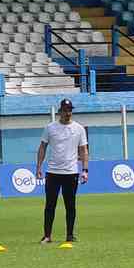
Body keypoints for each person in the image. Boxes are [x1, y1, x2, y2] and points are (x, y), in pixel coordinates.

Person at [36, 98, 89, 243]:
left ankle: (70, 235)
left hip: (71, 173)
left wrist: (85, 170)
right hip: (53, 172)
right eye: (65, 110)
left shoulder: (79, 129)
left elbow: (84, 150)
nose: (68, 113)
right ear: (60, 111)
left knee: (70, 205)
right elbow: (42, 147)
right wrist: (39, 167)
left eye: (70, 110)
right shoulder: (50, 128)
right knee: (50, 205)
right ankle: (47, 236)